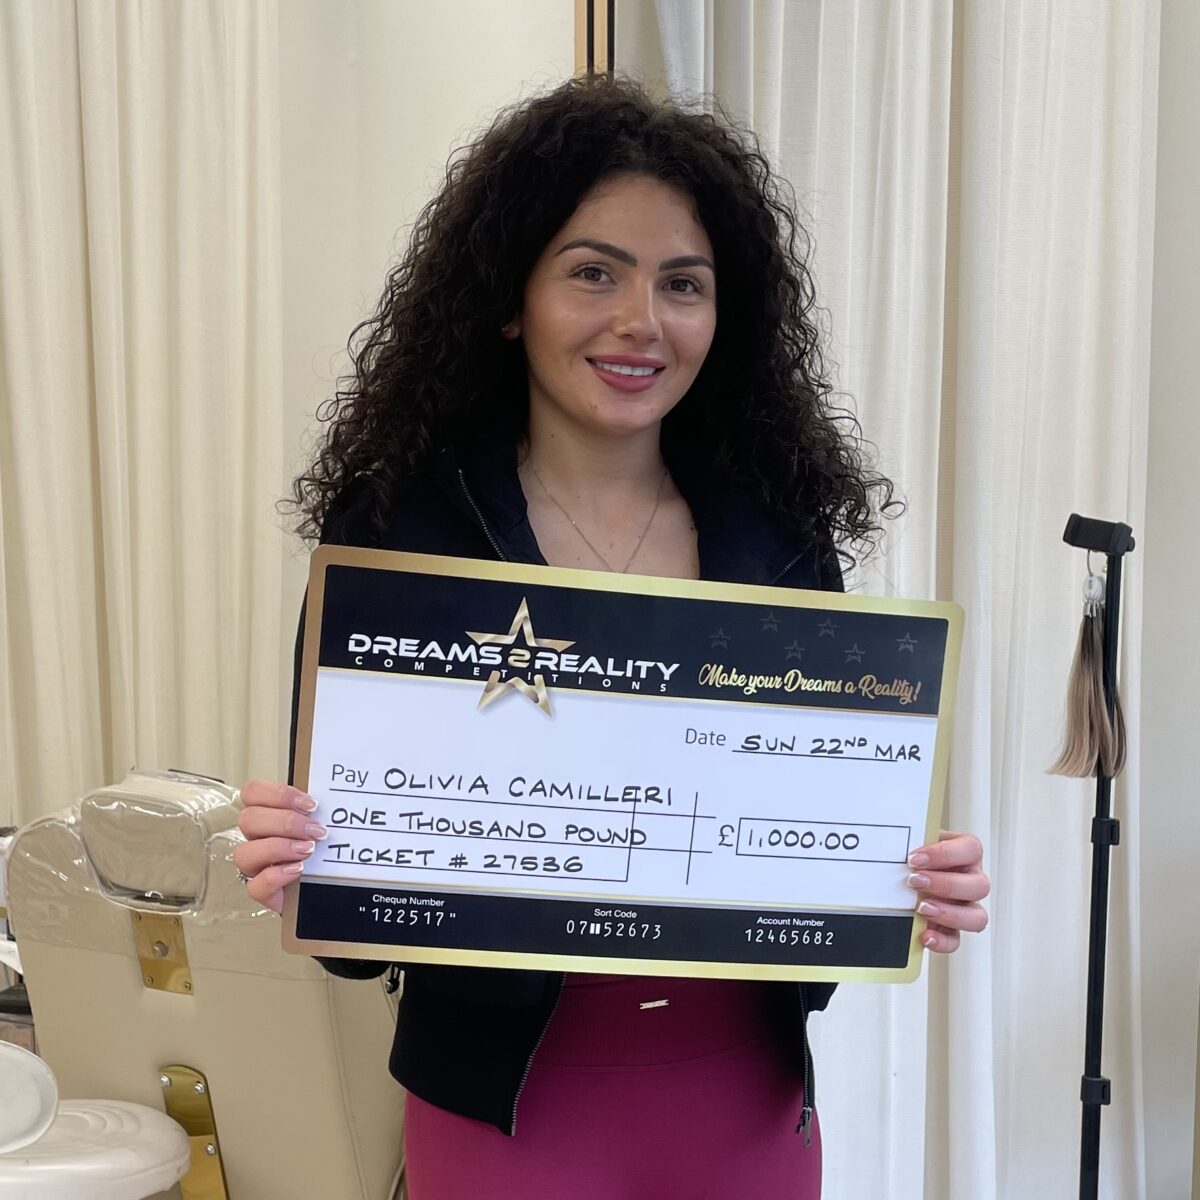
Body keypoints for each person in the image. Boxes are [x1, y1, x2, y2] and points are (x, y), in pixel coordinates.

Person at [234, 75, 990, 1198]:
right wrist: (304, 859)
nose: (642, 320)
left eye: (683, 283)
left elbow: (815, 832)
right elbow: (354, 939)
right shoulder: (400, 534)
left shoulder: (780, 539)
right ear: (511, 298)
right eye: (594, 272)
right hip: (504, 1118)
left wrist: (911, 877)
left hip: (744, 1104)